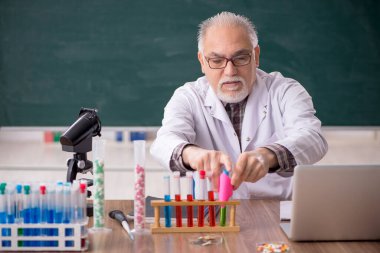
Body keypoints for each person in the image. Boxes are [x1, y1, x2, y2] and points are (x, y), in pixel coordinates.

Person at [150, 11, 328, 200]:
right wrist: (191, 154)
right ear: (202, 61)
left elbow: (313, 139)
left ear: (256, 55)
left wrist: (268, 156)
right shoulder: (188, 97)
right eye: (217, 60)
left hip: (279, 211)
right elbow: (164, 142)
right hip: (216, 214)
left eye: (241, 58)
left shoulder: (285, 91)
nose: (230, 71)